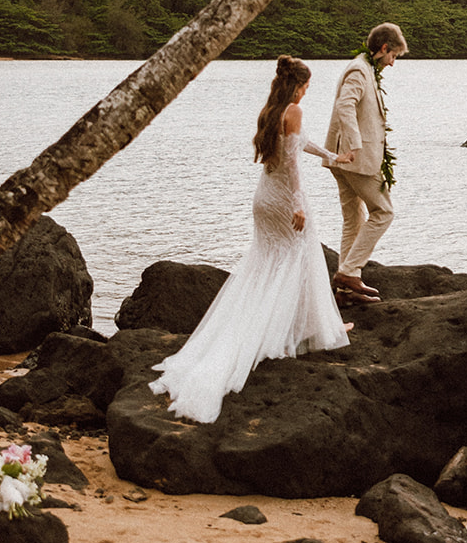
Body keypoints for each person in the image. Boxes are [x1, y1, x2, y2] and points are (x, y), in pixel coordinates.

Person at [148, 55, 350, 425]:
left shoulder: (270, 111)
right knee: (298, 257)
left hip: (263, 198)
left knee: (267, 265)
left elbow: (298, 146)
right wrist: (298, 203)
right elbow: (292, 163)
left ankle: (305, 327)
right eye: (306, 86)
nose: (307, 92)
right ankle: (311, 330)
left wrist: (333, 156)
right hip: (283, 197)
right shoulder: (294, 110)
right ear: (297, 85)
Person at [325, 21, 408, 306]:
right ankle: (348, 273)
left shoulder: (364, 67)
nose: (393, 63)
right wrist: (355, 144)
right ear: (383, 48)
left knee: (353, 219)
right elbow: (345, 105)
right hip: (354, 159)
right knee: (383, 212)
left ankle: (346, 291)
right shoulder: (360, 70)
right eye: (393, 56)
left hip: (343, 159)